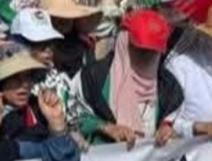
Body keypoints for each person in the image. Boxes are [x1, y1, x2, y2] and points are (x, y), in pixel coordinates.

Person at [71, 10, 183, 148]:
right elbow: (69, 114)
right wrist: (105, 127)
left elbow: (180, 123)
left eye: (152, 51)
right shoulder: (92, 77)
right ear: (124, 42)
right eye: (140, 49)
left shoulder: (169, 87)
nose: (146, 56)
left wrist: (166, 128)